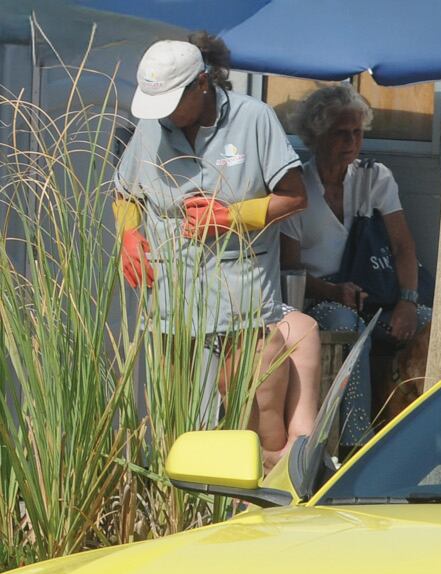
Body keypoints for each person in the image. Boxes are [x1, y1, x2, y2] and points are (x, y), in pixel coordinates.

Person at [115, 32, 314, 468]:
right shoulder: (151, 126)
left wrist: (231, 217)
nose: (164, 114)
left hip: (241, 300)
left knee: (255, 416)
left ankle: (262, 514)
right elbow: (126, 193)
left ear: (201, 84)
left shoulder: (255, 118)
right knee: (182, 423)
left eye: (171, 101)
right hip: (172, 301)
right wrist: (128, 237)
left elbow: (295, 197)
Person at [280, 82, 428, 448]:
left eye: (357, 133)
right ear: (316, 135)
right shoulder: (297, 186)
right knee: (348, 324)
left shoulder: (374, 177)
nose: (351, 141)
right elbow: (289, 267)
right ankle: (355, 442)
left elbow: (403, 247)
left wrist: (408, 302)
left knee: (431, 322)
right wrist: (333, 290)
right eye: (340, 133)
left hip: (375, 291)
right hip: (320, 295)